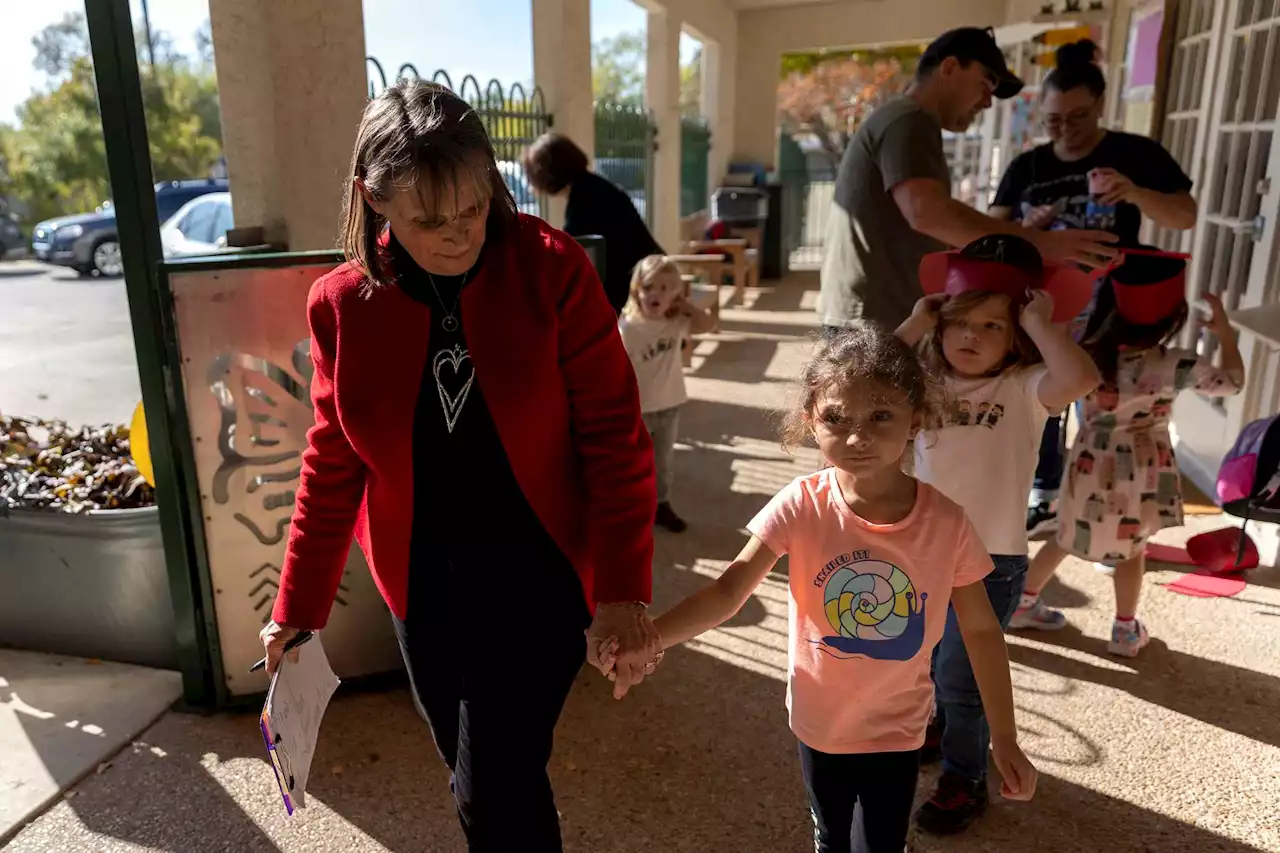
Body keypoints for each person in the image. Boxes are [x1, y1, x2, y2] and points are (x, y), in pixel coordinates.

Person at [257, 81, 662, 852]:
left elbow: (615, 435)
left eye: (475, 206)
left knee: (493, 784)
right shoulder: (339, 303)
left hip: (540, 572)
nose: (459, 234)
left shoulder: (553, 269)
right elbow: (332, 456)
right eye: (428, 219)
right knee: (476, 771)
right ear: (372, 200)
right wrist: (296, 606)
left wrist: (621, 590)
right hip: (423, 586)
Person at [598, 323, 1038, 853]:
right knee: (831, 837)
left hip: (897, 728)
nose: (858, 437)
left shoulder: (947, 522)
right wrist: (650, 639)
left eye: (881, 416)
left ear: (916, 417)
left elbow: (982, 631)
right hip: (819, 724)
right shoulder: (800, 504)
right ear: (810, 421)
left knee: (879, 842)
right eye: (836, 418)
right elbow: (729, 590)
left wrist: (1005, 736)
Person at [896, 234, 1100, 834]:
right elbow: (867, 372)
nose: (972, 336)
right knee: (928, 660)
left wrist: (1040, 323)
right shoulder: (925, 381)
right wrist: (915, 320)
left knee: (964, 679)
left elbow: (1081, 377)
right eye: (960, 322)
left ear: (1015, 338)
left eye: (991, 325)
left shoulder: (1025, 388)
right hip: (919, 548)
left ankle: (965, 777)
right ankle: (939, 728)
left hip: (990, 559)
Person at [987, 39, 1197, 536]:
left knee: (1106, 407)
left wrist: (1136, 192)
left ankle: (1109, 513)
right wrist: (1027, 227)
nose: (1064, 130)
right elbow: (993, 231)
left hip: (1115, 306)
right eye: (1054, 120)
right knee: (1040, 396)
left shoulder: (1132, 153)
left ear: (1100, 106)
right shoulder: (1029, 166)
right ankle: (1042, 495)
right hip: (1043, 304)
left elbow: (1184, 215)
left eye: (1076, 118)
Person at [1015, 250, 1244, 656]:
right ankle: (1124, 630)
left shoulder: (1091, 349)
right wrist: (1224, 332)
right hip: (1141, 466)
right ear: (1174, 318)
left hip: (1089, 456)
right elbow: (1232, 382)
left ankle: (1024, 603)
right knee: (1132, 546)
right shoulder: (1178, 363)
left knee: (1065, 534)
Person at [818, 26, 1118, 333]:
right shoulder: (910, 119)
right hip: (873, 322)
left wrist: (1013, 236)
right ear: (949, 67)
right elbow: (927, 213)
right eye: (985, 83)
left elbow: (927, 224)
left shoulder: (903, 119)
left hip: (872, 316)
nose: (987, 102)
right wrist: (1037, 243)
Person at [618, 255, 716, 533]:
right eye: (649, 287)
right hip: (637, 410)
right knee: (633, 464)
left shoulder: (677, 322)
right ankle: (631, 509)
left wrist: (684, 304)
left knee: (664, 463)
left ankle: (661, 504)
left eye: (665, 288)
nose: (655, 294)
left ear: (675, 293)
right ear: (637, 290)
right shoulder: (628, 328)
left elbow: (707, 324)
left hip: (669, 405)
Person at [523, 132, 664, 314]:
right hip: (649, 279)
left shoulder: (584, 201)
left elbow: (568, 254)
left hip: (638, 292)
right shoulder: (596, 187)